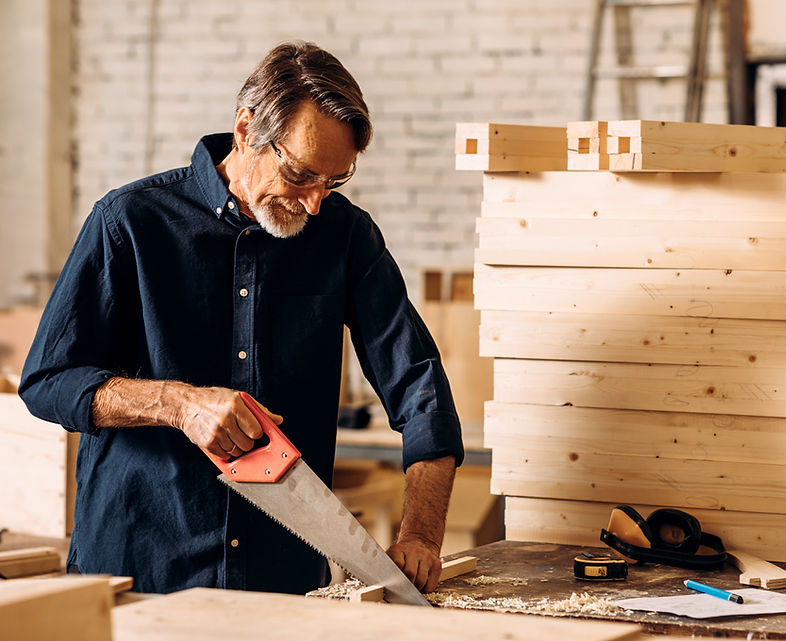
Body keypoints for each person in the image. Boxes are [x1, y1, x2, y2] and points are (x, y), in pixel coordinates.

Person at [18, 41, 463, 596]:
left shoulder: (345, 236)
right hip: (141, 569)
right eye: (300, 174)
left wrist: (421, 534)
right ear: (247, 129)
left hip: (283, 582)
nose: (314, 203)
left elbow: (420, 388)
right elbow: (47, 381)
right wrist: (179, 404)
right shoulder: (129, 222)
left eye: (334, 181)